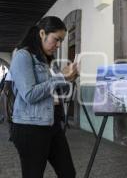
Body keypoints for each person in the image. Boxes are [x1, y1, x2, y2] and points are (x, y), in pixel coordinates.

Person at [9, 16, 78, 178]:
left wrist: (69, 78)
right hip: (30, 127)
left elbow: (50, 91)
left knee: (68, 172)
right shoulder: (22, 56)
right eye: (56, 39)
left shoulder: (46, 60)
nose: (59, 45)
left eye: (61, 41)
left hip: (52, 123)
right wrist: (61, 77)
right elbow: (30, 94)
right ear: (42, 33)